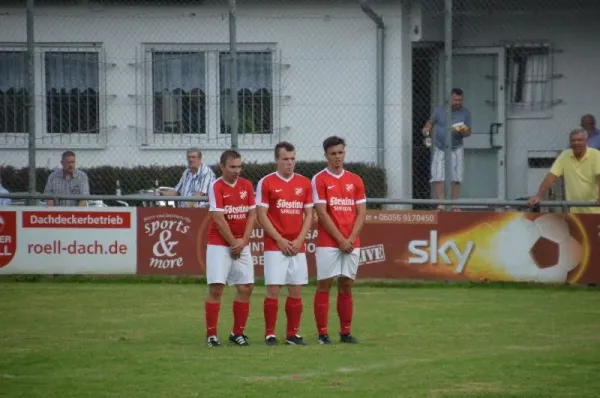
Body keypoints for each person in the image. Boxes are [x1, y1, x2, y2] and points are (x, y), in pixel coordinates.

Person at [256, 141, 314, 346]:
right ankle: (270, 334)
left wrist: (300, 240)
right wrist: (279, 239)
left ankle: (292, 334)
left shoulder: (305, 183)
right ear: (276, 160)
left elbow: (309, 214)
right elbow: (261, 215)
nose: (290, 163)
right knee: (273, 290)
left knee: (296, 289)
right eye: (285, 159)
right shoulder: (266, 182)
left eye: (292, 159)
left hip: (297, 245)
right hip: (275, 245)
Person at [311, 136, 367, 345]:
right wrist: (340, 239)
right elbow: (322, 214)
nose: (337, 157)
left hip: (351, 242)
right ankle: (323, 334)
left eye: (340, 153)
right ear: (325, 155)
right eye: (333, 153)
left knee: (346, 285)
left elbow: (361, 213)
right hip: (328, 242)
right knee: (324, 284)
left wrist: (350, 239)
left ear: (345, 153)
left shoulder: (355, 180)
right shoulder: (319, 179)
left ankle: (345, 332)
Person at [204, 149, 257, 347]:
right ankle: (211, 335)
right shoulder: (216, 186)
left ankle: (237, 333)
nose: (237, 170)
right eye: (232, 167)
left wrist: (243, 241)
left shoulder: (247, 185)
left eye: (239, 166)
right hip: (219, 243)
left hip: (241, 243)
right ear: (222, 167)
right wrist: (234, 242)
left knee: (246, 287)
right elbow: (218, 218)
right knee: (217, 288)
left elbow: (252, 215)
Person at [422, 88, 472, 211]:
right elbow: (430, 123)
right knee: (438, 175)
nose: (458, 102)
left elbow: (469, 132)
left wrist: (463, 131)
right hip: (440, 147)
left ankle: (455, 205)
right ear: (450, 99)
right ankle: (441, 204)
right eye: (455, 100)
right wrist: (426, 131)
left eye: (460, 100)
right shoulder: (439, 111)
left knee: (457, 176)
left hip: (456, 147)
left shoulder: (466, 113)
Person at [529, 129, 600, 213]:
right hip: (575, 212)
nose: (576, 143)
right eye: (573, 140)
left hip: (596, 209)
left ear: (586, 141)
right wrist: (538, 195)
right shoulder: (565, 155)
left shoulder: (596, 155)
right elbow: (551, 176)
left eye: (579, 140)